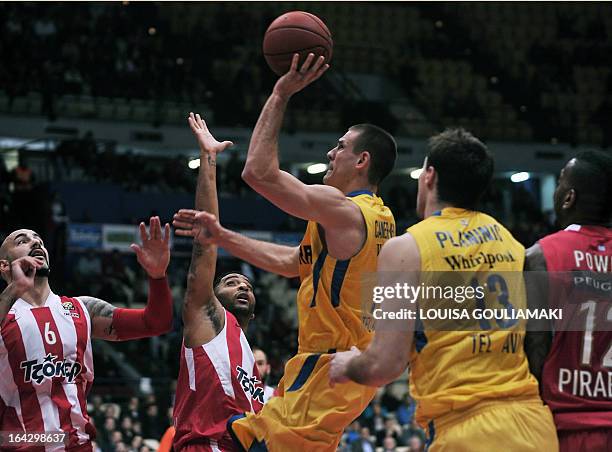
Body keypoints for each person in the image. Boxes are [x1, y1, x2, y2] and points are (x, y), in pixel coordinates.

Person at [174, 54, 397, 451]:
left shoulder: (345, 211)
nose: (331, 153)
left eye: (341, 147)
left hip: (328, 366)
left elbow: (257, 173)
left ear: (362, 161)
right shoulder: (374, 218)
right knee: (245, 434)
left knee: (240, 438)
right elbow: (293, 263)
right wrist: (223, 237)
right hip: (337, 370)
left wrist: (280, 93)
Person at [330, 128, 558, 451]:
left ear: (430, 176)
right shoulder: (514, 244)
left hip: (466, 432)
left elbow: (384, 365)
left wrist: (348, 364)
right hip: (535, 426)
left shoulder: (406, 247)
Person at [0, 217, 173, 450]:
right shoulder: (6, 314)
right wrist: (15, 288)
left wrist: (158, 276)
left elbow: (156, 323)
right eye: (23, 241)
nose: (36, 244)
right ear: (4, 266)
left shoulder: (82, 309)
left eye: (39, 240)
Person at [171, 113, 264, 451]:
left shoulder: (250, 358)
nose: (242, 287)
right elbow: (205, 242)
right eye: (231, 282)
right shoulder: (206, 317)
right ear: (212, 293)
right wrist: (208, 160)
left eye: (248, 286)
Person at [524, 151, 612, 452]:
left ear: (568, 198)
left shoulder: (540, 255)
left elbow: (535, 348)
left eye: (560, 181)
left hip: (564, 426)